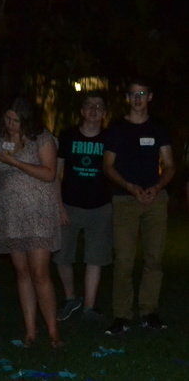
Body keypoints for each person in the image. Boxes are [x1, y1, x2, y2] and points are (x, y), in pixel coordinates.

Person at [0, 96, 62, 348]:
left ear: (26, 119)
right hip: (12, 213)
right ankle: (30, 332)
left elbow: (49, 173)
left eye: (16, 120)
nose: (11, 124)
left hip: (38, 213)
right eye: (8, 119)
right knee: (22, 273)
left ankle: (54, 332)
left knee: (39, 272)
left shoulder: (41, 138)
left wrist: (15, 162)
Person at [102, 78, 174, 335]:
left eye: (142, 93)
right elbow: (107, 165)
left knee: (154, 259)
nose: (137, 98)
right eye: (133, 94)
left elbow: (169, 164)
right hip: (125, 200)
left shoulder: (158, 129)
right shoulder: (117, 128)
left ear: (150, 97)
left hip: (155, 200)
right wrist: (131, 188)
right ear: (128, 98)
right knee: (124, 261)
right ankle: (121, 316)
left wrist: (158, 186)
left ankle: (148, 311)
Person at [53, 91, 112, 322]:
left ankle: (89, 306)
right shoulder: (67, 136)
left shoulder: (109, 139)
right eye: (89, 105)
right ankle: (71, 299)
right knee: (62, 255)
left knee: (95, 257)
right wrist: (58, 205)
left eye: (98, 106)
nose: (93, 110)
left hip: (100, 206)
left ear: (104, 113)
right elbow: (57, 173)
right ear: (81, 111)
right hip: (70, 204)